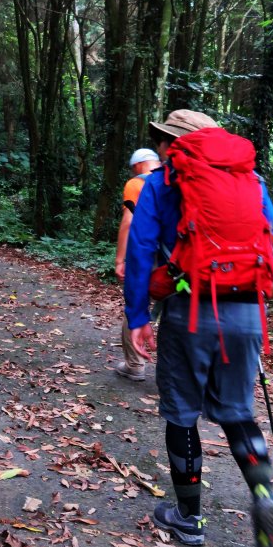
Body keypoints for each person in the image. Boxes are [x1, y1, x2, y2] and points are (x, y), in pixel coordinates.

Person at [124, 109, 273, 547]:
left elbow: (140, 250)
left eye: (163, 139)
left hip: (189, 311)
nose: (160, 146)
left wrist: (138, 314)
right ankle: (263, 496)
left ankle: (188, 518)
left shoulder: (161, 183)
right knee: (239, 413)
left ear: (173, 143)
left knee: (181, 414)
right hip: (245, 314)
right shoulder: (250, 181)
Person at [114, 147, 161, 381]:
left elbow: (129, 222)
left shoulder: (137, 182)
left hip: (147, 255)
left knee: (136, 303)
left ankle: (135, 364)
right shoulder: (174, 178)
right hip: (174, 259)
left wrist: (120, 259)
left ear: (137, 164)